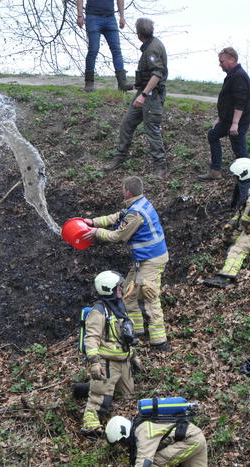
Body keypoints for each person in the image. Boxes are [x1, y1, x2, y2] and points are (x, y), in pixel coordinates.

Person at [82, 176, 169, 351]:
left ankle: (160, 342)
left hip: (151, 261)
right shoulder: (139, 204)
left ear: (127, 192)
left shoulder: (135, 214)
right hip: (143, 260)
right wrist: (93, 222)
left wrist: (96, 232)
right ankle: (137, 332)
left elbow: (118, 236)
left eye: (122, 189)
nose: (122, 191)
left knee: (150, 299)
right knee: (128, 295)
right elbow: (117, 217)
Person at [104, 17, 168, 178]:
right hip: (144, 93)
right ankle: (119, 157)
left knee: (152, 129)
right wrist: (137, 87)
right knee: (127, 123)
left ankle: (160, 166)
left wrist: (144, 95)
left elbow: (157, 74)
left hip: (152, 96)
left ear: (138, 34)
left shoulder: (153, 49)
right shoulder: (150, 45)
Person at [80, 270, 141, 437]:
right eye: (118, 287)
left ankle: (122, 427)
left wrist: (134, 356)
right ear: (109, 289)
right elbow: (91, 338)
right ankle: (90, 427)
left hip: (124, 361)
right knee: (99, 398)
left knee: (128, 397)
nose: (121, 288)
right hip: (107, 363)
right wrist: (94, 362)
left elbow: (124, 336)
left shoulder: (119, 308)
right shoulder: (98, 311)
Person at [204, 158, 250, 288]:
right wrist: (231, 225)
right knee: (228, 238)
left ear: (242, 175)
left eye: (236, 176)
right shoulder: (247, 187)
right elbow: (241, 211)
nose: (234, 178)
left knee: (238, 248)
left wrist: (244, 225)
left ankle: (226, 277)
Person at [198, 47, 250, 181]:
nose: (220, 64)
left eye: (222, 61)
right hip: (227, 120)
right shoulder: (232, 75)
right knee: (213, 134)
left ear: (232, 60)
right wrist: (220, 118)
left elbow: (240, 102)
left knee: (239, 149)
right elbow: (228, 101)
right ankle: (215, 171)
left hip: (238, 121)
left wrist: (235, 123)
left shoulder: (239, 76)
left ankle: (248, 179)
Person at [105, 414, 208, 466]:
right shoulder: (142, 424)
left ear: (123, 434)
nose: (123, 446)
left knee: (153, 463)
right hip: (197, 436)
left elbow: (144, 461)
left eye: (121, 443)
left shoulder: (142, 432)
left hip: (190, 441)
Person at [76, 0, 132, 92]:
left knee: (116, 50)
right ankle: (89, 83)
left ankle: (122, 83)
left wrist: (122, 16)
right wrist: (80, 15)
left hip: (110, 18)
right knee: (93, 50)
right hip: (93, 17)